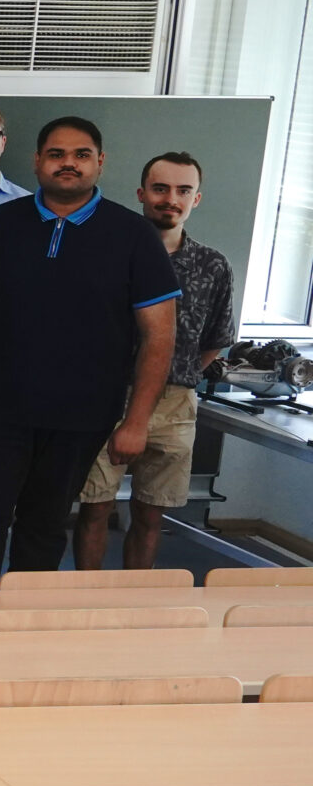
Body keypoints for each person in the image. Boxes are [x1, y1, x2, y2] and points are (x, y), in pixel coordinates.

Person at [0, 117, 180, 578]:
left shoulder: (133, 236)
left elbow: (159, 335)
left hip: (82, 417)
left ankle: (27, 633)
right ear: (37, 161)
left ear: (100, 162)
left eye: (81, 155)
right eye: (56, 154)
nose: (68, 164)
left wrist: (136, 421)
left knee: (45, 525)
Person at [73, 152, 233, 571]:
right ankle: (85, 602)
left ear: (196, 199)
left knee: (150, 514)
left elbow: (216, 338)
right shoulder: (107, 252)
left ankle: (134, 603)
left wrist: (177, 376)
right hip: (106, 397)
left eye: (183, 190)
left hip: (175, 404)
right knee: (94, 507)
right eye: (161, 188)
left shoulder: (213, 266)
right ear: (142, 193)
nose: (171, 199)